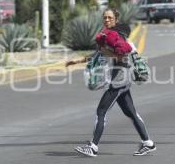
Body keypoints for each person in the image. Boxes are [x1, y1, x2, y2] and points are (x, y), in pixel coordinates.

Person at [66, 8, 156, 157]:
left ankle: (93, 147)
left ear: (116, 19)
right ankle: (148, 143)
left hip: (118, 81)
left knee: (101, 112)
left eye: (110, 18)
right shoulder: (107, 35)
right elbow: (98, 53)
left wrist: (110, 53)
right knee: (131, 113)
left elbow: (123, 57)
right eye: (105, 18)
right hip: (122, 81)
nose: (107, 20)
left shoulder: (117, 36)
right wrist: (77, 61)